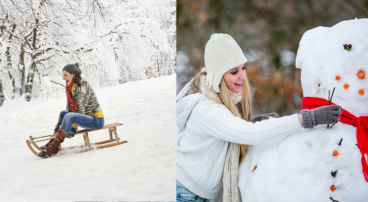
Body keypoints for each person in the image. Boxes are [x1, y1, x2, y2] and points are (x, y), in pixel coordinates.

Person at [176, 34, 342, 201]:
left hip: (198, 194)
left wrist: (248, 123)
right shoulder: (206, 109)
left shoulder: (221, 101)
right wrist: (306, 118)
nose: (242, 76)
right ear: (218, 77)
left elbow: (234, 129)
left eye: (243, 68)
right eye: (234, 71)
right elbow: (250, 134)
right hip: (184, 193)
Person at [37, 63, 105, 158]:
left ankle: (53, 149)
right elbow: (69, 107)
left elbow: (80, 109)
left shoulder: (82, 85)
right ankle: (53, 142)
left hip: (96, 120)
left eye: (65, 75)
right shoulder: (71, 86)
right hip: (87, 118)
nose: (63, 78)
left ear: (73, 74)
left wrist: (71, 128)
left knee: (68, 116)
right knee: (63, 114)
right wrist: (68, 124)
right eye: (63, 75)